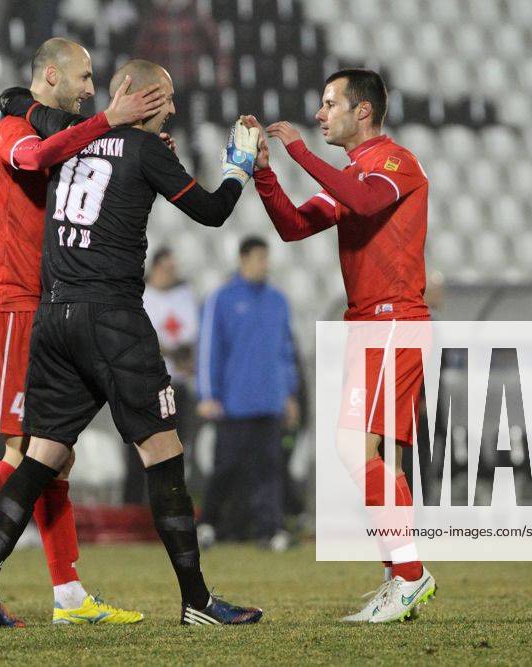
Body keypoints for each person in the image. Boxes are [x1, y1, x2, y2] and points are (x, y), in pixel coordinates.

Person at [0, 59, 264, 627]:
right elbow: (214, 212)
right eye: (165, 98)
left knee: (40, 456)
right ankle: (197, 602)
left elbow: (15, 102)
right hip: (112, 320)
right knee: (164, 454)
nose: (172, 108)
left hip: (53, 320)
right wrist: (239, 166)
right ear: (140, 96)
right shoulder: (148, 152)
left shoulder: (68, 138)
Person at [0, 37, 164, 627]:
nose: (92, 88)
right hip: (10, 306)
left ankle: (69, 597)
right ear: (51, 76)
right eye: (85, 78)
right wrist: (108, 120)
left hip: (40, 305)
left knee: (54, 457)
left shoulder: (48, 128)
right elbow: (36, 161)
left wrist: (133, 145)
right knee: (24, 455)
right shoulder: (15, 133)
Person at [243, 68, 436, 623]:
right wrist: (265, 175)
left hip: (394, 321)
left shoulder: (395, 163)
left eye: (330, 104)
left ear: (364, 112)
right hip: (367, 325)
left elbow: (366, 202)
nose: (321, 114)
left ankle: (409, 574)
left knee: (357, 452)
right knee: (375, 458)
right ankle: (399, 576)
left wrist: (299, 151)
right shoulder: (353, 175)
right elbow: (295, 227)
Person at [196, 237, 298, 551]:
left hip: (269, 401)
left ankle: (271, 529)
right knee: (225, 467)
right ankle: (207, 523)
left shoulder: (278, 300)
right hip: (233, 402)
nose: (264, 265)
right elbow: (209, 348)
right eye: (258, 259)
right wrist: (207, 394)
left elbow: (286, 352)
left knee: (269, 470)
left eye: (266, 259)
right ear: (243, 260)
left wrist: (289, 394)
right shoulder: (221, 299)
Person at [125, 247, 201, 502]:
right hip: (147, 383)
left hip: (177, 383)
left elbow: (190, 335)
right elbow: (142, 335)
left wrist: (184, 357)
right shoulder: (141, 296)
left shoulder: (183, 296)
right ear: (155, 268)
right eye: (167, 268)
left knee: (177, 447)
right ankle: (134, 505)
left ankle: (168, 502)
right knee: (142, 445)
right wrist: (171, 351)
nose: (171, 274)